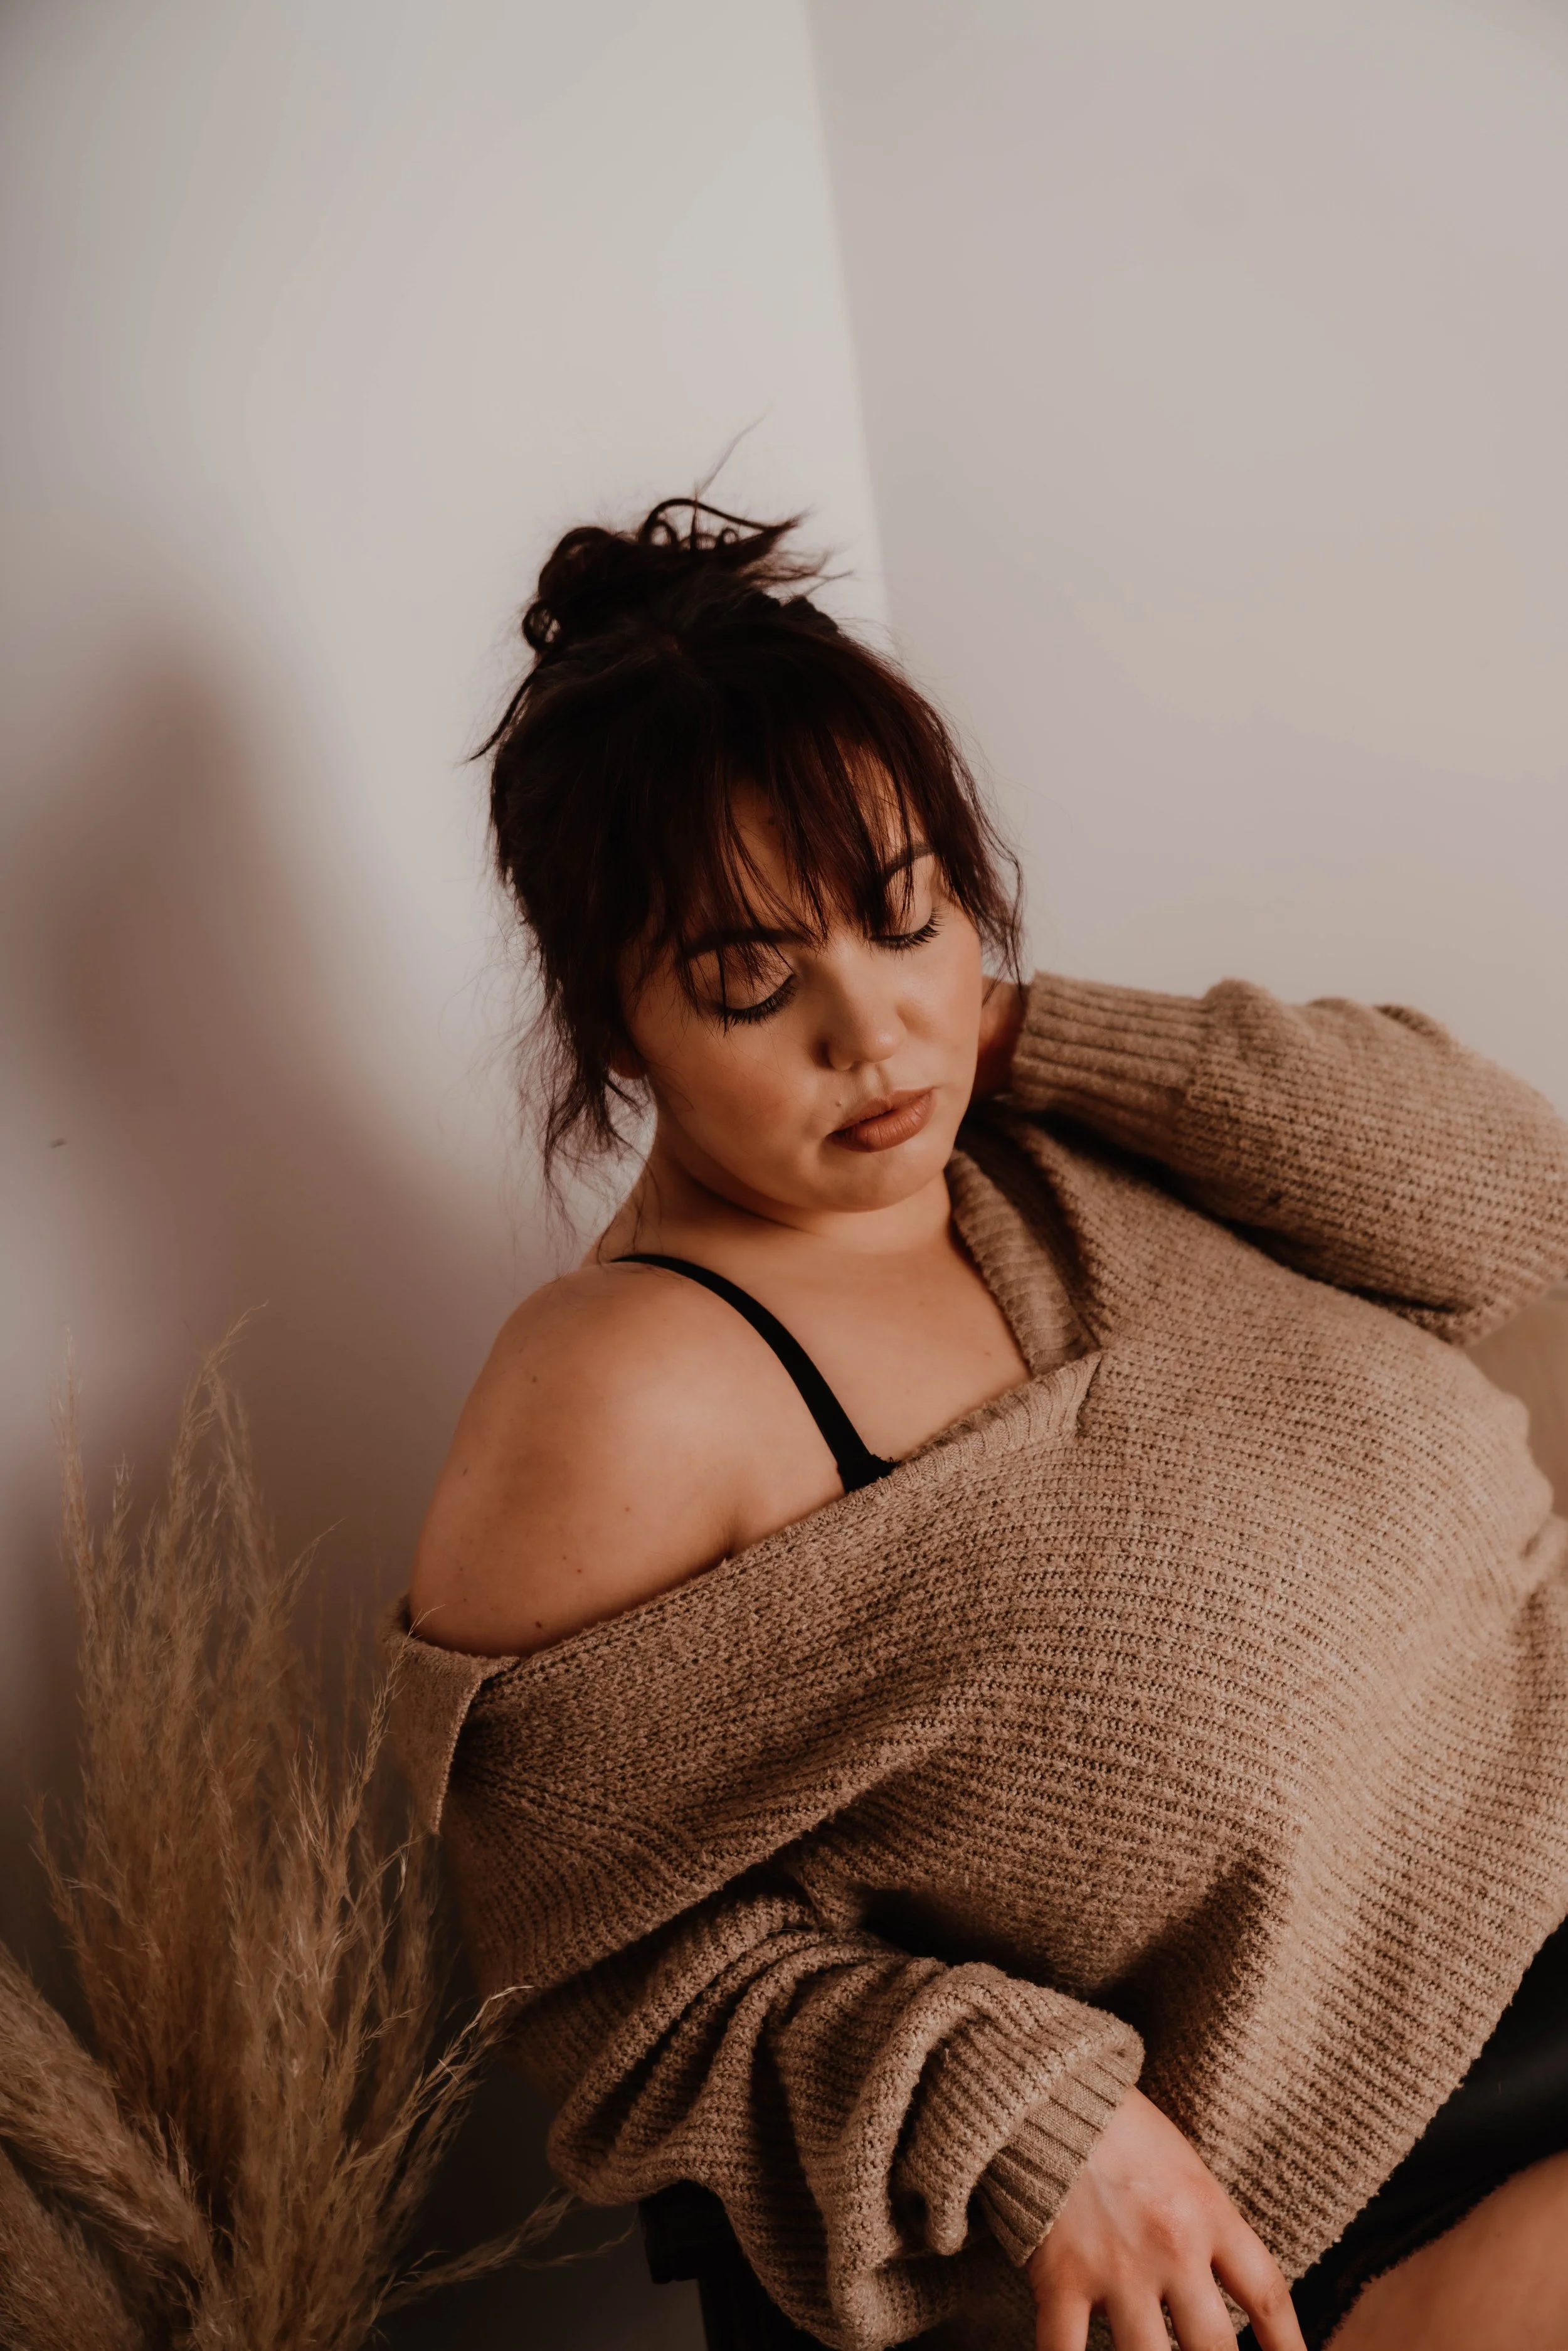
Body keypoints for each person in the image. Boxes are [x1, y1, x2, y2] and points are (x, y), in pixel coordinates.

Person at [389, 498, 1568, 2351]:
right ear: (616, 1029)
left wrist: (1024, 1034)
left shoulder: (1024, 1128)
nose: (870, 1030)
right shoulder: (623, 1392)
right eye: (747, 978)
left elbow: (1511, 1205)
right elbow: (610, 1992)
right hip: (1354, 2158)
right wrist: (1031, 2110)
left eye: (902, 905)